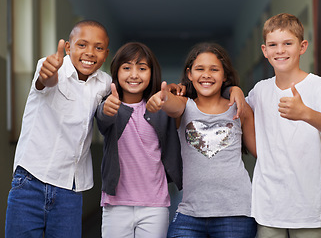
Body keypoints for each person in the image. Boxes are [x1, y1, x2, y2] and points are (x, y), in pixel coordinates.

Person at [5, 20, 112, 238]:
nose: (90, 52)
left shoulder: (105, 83)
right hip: (30, 180)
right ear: (68, 47)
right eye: (82, 45)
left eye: (98, 48)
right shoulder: (50, 66)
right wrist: (48, 72)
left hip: (70, 189)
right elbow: (47, 80)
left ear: (106, 53)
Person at [246, 13, 321, 238]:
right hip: (270, 206)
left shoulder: (320, 86)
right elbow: (241, 114)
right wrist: (233, 91)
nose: (280, 50)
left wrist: (306, 114)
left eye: (287, 43)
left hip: (311, 206)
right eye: (273, 45)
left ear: (302, 46)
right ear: (264, 51)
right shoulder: (259, 90)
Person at [146, 42, 257, 238]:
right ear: (190, 74)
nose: (206, 74)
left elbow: (260, 152)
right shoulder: (185, 106)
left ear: (225, 76)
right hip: (190, 213)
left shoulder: (240, 107)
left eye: (214, 69)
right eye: (200, 69)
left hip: (236, 212)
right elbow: (172, 104)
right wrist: (162, 98)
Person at [95, 42, 183, 238]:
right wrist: (106, 108)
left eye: (142, 68)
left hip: (155, 204)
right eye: (126, 67)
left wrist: (170, 93)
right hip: (115, 204)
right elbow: (103, 118)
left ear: (152, 73)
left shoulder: (161, 108)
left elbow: (183, 104)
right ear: (116, 72)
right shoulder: (110, 105)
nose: (134, 75)